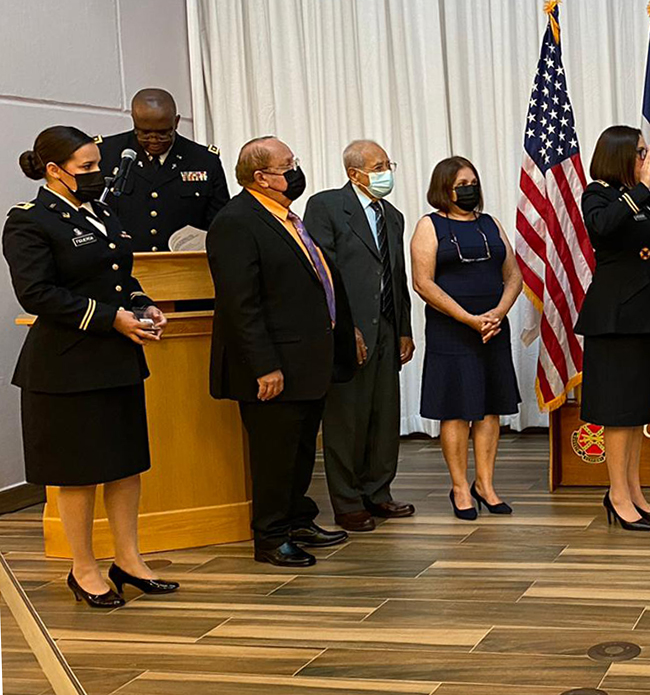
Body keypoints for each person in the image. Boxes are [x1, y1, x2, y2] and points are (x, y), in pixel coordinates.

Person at [3, 126, 178, 607]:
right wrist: (111, 318)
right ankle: (84, 570)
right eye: (86, 167)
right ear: (54, 171)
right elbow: (37, 294)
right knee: (78, 474)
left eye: (97, 164)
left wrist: (142, 305)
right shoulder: (29, 221)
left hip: (117, 360)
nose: (98, 173)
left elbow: (118, 276)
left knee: (124, 467)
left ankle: (129, 560)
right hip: (66, 367)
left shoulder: (99, 211)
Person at [207, 136, 356, 566]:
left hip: (307, 362)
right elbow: (241, 303)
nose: (295, 170)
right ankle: (270, 538)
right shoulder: (237, 221)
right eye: (287, 164)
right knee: (275, 455)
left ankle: (296, 518)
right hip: (273, 368)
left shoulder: (287, 217)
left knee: (300, 448)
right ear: (262, 177)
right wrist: (265, 366)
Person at [303, 140, 416, 532]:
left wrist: (404, 329)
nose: (387, 172)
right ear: (355, 173)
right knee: (346, 419)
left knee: (383, 415)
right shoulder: (327, 206)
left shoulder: (393, 215)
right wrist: (344, 328)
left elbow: (396, 276)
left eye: (389, 164)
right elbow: (323, 272)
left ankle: (378, 492)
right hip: (348, 329)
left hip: (386, 326)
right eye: (379, 165)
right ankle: (348, 501)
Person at [411, 157, 520, 520]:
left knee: (489, 408)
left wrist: (497, 314)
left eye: (472, 181)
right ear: (444, 187)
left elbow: (514, 275)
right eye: (461, 183)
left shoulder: (490, 224)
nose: (468, 188)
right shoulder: (429, 225)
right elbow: (423, 283)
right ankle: (460, 487)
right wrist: (468, 319)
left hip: (492, 328)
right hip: (452, 329)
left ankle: (485, 484)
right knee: (456, 410)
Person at [575, 126, 650, 532]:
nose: (646, 158)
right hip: (614, 318)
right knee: (617, 412)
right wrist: (642, 190)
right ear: (619, 156)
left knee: (636, 411)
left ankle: (633, 490)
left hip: (641, 314)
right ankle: (616, 494)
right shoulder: (597, 194)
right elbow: (605, 227)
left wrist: (641, 193)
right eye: (640, 152)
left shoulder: (637, 199)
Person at [96, 88, 230, 251]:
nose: (154, 140)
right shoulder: (106, 154)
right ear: (134, 121)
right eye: (145, 132)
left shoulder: (204, 160)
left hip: (184, 266)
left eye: (163, 133)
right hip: (125, 264)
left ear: (177, 122)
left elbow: (220, 223)